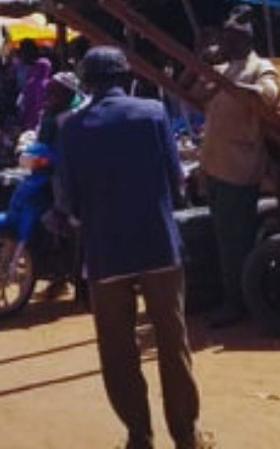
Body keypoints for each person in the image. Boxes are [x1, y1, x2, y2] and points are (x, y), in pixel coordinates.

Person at [58, 47, 206, 449]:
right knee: (172, 342)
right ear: (126, 78)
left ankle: (139, 435)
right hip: (158, 243)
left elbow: (68, 201)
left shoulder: (71, 127)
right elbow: (176, 179)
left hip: (106, 252)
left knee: (117, 348)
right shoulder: (153, 114)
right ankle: (186, 434)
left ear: (86, 83)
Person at [199, 8, 279, 328]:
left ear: (244, 40)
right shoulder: (224, 68)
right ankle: (230, 297)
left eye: (230, 39)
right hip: (215, 167)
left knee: (235, 242)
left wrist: (231, 86)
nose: (225, 44)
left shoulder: (260, 68)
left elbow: (270, 97)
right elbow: (191, 88)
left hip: (239, 168)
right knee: (222, 238)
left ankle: (239, 303)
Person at [19, 57, 53, 133]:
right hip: (41, 116)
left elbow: (24, 100)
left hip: (29, 115)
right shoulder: (49, 84)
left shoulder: (30, 82)